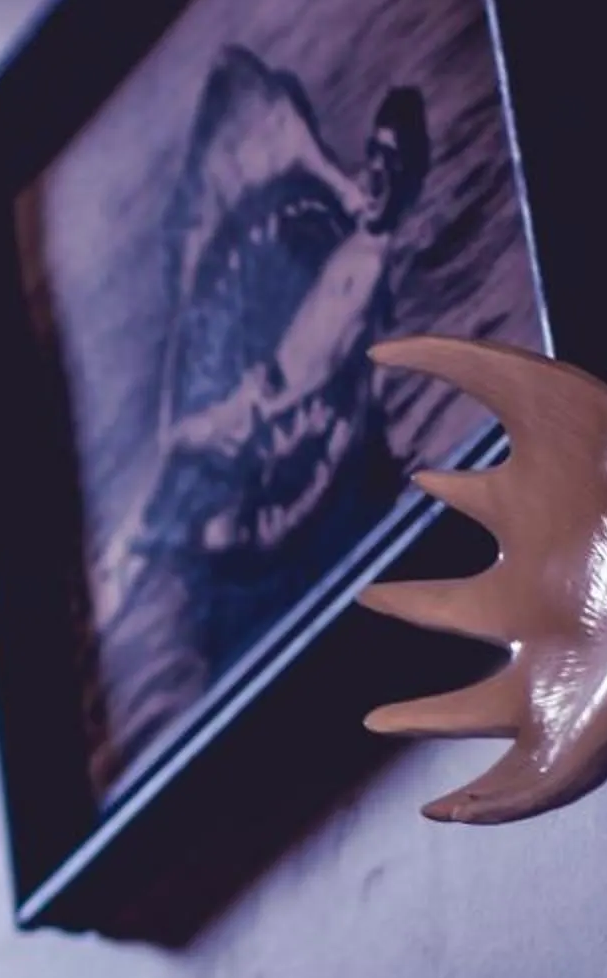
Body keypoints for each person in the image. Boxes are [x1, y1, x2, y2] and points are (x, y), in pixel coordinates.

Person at [92, 54, 432, 778]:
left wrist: (241, 408)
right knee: (159, 515)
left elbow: (295, 373)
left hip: (258, 416)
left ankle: (129, 561)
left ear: (404, 185)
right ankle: (130, 561)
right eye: (371, 158)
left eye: (387, 166)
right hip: (255, 421)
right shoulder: (348, 237)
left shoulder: (361, 270)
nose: (372, 174)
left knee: (161, 510)